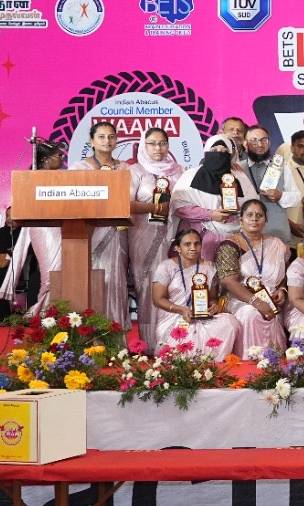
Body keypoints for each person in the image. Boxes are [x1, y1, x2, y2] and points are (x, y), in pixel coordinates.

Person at [127, 127, 183, 353]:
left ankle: (175, 342)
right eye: (152, 143)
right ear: (143, 145)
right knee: (148, 286)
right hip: (144, 235)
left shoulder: (179, 170)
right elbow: (126, 204)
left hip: (175, 236)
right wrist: (155, 207)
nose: (158, 148)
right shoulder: (135, 171)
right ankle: (151, 343)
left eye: (162, 143)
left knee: (175, 286)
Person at [0, 139, 67, 314]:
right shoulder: (31, 179)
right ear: (44, 159)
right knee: (51, 272)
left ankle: (55, 312)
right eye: (59, 156)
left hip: (62, 227)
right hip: (43, 228)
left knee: (60, 272)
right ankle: (45, 312)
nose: (62, 159)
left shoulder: (63, 178)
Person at [217, 199, 291, 354]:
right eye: (249, 215)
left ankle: (272, 362)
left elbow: (285, 273)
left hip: (271, 299)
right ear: (241, 219)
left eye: (259, 215)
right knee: (251, 313)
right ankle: (248, 359)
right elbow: (228, 282)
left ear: (266, 220)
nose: (254, 219)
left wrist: (282, 289)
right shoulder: (230, 245)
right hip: (241, 299)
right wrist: (256, 302)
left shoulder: (277, 244)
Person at [150, 228, 241, 354]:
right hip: (174, 316)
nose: (193, 248)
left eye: (197, 243)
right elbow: (158, 299)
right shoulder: (166, 267)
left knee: (230, 323)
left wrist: (214, 305)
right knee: (183, 340)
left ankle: (211, 359)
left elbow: (212, 297)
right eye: (187, 244)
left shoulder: (209, 267)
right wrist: (182, 310)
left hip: (202, 315)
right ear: (178, 248)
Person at [77, 121, 131, 327]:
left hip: (118, 231)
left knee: (116, 280)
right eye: (101, 137)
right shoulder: (79, 168)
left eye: (111, 136)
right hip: (90, 231)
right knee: (93, 280)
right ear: (91, 141)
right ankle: (89, 333)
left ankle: (114, 333)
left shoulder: (125, 168)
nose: (107, 141)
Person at [171, 136, 257, 260]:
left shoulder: (240, 177)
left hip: (234, 237)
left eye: (224, 151)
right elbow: (178, 206)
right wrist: (210, 215)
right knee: (199, 271)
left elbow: (253, 205)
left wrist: (239, 212)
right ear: (206, 152)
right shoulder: (190, 176)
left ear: (230, 154)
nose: (219, 154)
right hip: (199, 237)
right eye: (214, 150)